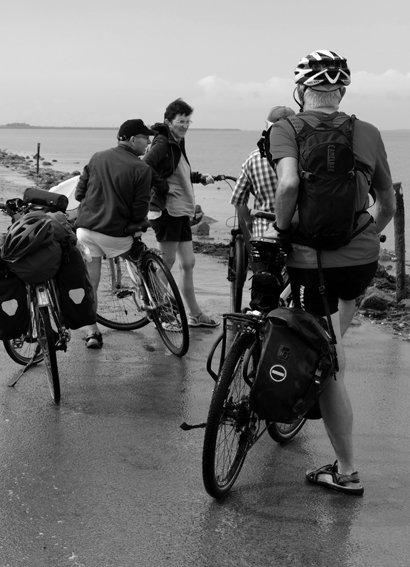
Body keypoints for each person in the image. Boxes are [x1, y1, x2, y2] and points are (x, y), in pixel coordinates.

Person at [270, 49, 396, 496]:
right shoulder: (368, 130)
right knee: (338, 323)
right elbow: (388, 205)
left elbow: (287, 185)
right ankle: (329, 348)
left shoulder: (285, 128)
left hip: (311, 261)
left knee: (331, 366)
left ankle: (346, 472)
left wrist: (284, 232)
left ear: (301, 91)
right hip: (361, 258)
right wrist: (363, 236)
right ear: (340, 91)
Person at [74, 119, 156, 349]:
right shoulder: (142, 169)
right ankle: (154, 302)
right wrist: (137, 228)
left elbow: (80, 193)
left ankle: (92, 333)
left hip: (86, 231)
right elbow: (140, 210)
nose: (149, 142)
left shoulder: (97, 157)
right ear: (132, 140)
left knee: (91, 282)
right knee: (142, 259)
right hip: (115, 235)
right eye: (145, 138)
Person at [143, 98, 218, 327]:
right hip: (167, 211)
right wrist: (164, 188)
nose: (185, 125)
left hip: (180, 211)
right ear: (169, 121)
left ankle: (195, 314)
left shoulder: (177, 141)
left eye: (188, 121)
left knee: (189, 262)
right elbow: (145, 168)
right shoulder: (163, 143)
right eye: (180, 121)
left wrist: (198, 178)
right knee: (167, 261)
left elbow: (177, 171)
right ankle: (160, 314)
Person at [230, 105, 296, 311]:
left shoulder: (253, 159)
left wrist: (248, 229)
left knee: (262, 290)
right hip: (297, 232)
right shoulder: (302, 158)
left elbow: (240, 200)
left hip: (263, 236)